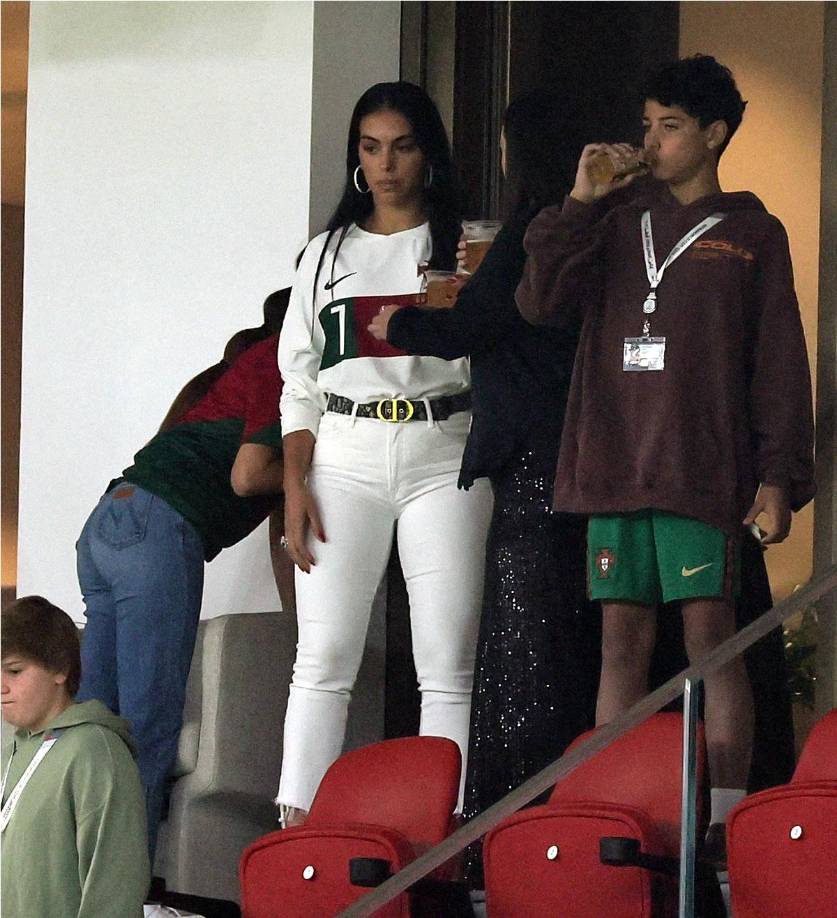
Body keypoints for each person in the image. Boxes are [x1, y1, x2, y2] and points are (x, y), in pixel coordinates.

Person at [516, 55, 815, 862]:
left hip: (700, 469)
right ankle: (613, 807)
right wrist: (580, 198)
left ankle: (721, 819)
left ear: (713, 134)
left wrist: (778, 476)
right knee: (620, 641)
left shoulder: (751, 232)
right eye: (646, 125)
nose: (650, 141)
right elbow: (539, 302)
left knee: (709, 641)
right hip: (615, 461)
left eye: (670, 126)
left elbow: (779, 359)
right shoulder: (615, 219)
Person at [367, 89, 599, 884]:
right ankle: (543, 838)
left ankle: (509, 847)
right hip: (573, 453)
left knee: (523, 656)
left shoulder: (537, 225)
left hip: (531, 458)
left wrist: (395, 325)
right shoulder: (589, 228)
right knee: (556, 648)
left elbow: (476, 323)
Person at [276, 81, 493, 827]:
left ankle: (446, 832)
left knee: (447, 663)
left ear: (426, 151)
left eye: (401, 145)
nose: (385, 164)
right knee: (324, 656)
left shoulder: (468, 243)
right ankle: (296, 829)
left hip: (446, 448)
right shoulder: (325, 253)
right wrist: (293, 486)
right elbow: (297, 382)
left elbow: (494, 353)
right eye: (370, 148)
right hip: (344, 453)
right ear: (354, 157)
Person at [75, 289, 291, 860]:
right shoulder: (278, 363)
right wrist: (316, 469)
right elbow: (251, 480)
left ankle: (72, 877)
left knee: (92, 721)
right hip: (155, 531)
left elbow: (276, 524)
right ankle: (128, 889)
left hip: (106, 521)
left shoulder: (219, 385)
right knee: (147, 723)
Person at [1, 596, 149, 917]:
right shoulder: (9, 754)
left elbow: (115, 892)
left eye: (14, 671)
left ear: (60, 669)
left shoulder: (95, 751)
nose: (1, 686)